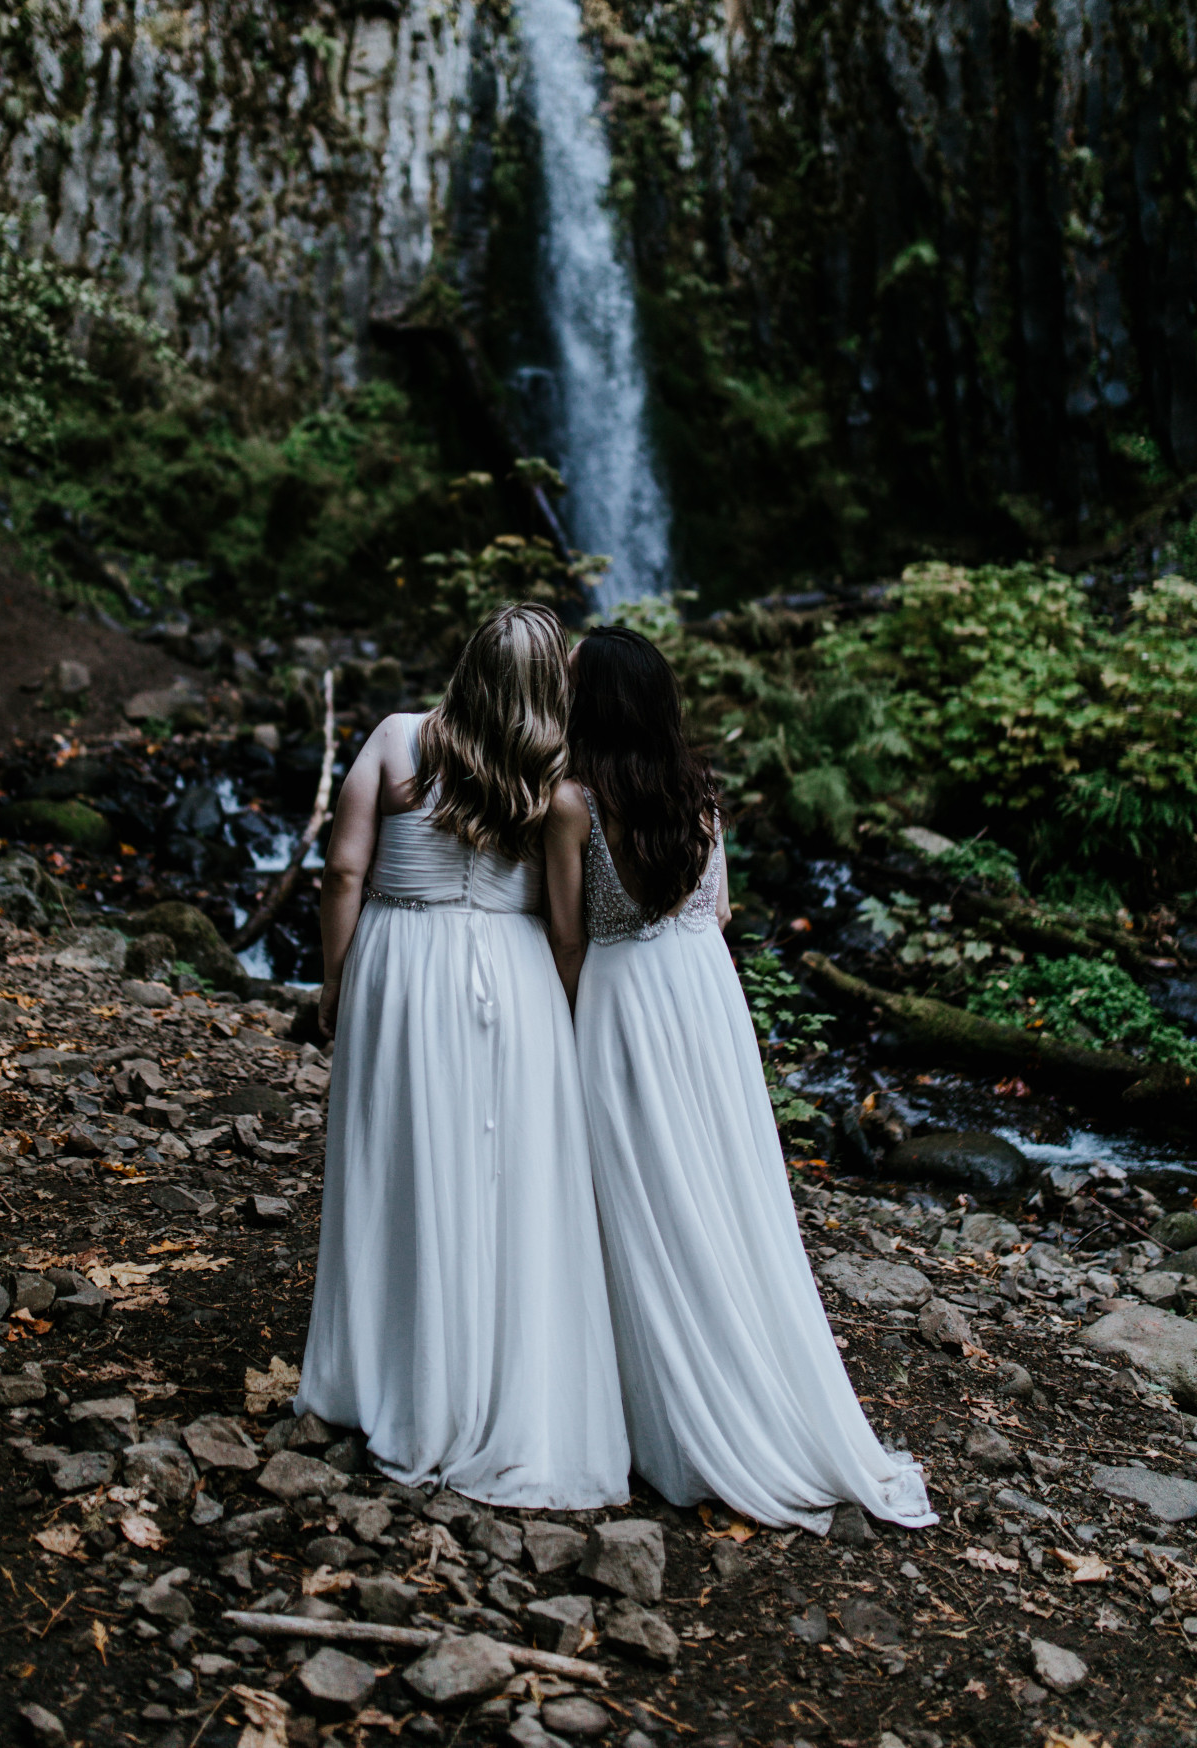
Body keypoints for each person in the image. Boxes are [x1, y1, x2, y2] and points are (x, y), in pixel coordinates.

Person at [543, 624, 935, 1533]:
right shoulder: (702, 792)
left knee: (647, 1193)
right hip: (704, 1000)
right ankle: (751, 1383)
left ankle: (677, 1420)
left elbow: (566, 936)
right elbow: (717, 913)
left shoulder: (571, 802)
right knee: (721, 1188)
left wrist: (568, 1019)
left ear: (594, 700)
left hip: (625, 998)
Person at [297, 602, 629, 1508]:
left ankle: (386, 1377)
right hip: (516, 976)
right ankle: (499, 1382)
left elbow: (343, 872)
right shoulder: (559, 772)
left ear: (470, 665)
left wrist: (335, 981)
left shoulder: (400, 738)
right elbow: (572, 917)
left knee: (393, 1169)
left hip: (401, 970)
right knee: (508, 1182)